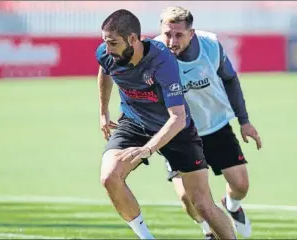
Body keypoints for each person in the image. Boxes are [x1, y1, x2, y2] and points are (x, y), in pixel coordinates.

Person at [96, 9, 237, 240]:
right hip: (134, 122)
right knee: (110, 177)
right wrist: (103, 111)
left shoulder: (162, 61)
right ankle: (146, 237)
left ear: (133, 39)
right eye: (105, 42)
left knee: (202, 204)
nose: (108, 49)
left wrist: (148, 148)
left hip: (175, 129)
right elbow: (105, 69)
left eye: (113, 43)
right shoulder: (107, 53)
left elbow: (178, 118)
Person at [154, 6, 262, 239]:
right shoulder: (153, 54)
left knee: (241, 186)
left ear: (191, 33)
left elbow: (230, 79)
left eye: (178, 35)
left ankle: (232, 206)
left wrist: (244, 121)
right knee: (188, 198)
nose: (171, 41)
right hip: (179, 134)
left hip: (215, 125)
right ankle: (208, 231)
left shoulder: (211, 45)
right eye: (167, 34)